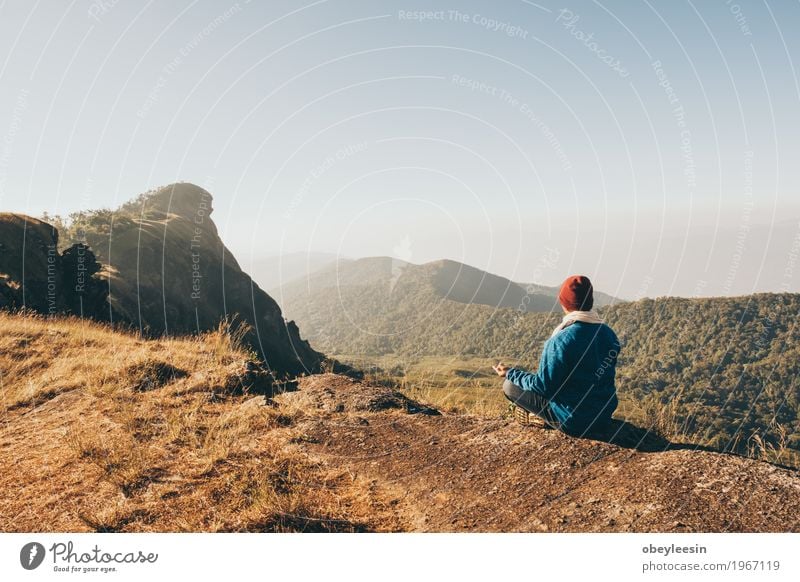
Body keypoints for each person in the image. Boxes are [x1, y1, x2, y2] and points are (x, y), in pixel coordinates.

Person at [493, 275, 620, 436]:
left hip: (573, 421)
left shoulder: (560, 340)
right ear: (590, 301)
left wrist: (510, 373)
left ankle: (541, 418)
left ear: (563, 303)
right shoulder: (609, 334)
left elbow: (543, 386)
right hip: (602, 417)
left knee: (509, 386)